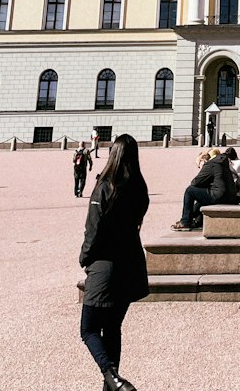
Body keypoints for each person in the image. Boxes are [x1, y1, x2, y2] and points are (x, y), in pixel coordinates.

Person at [79, 133, 149, 391]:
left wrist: (85, 256)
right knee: (113, 329)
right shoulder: (139, 188)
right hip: (131, 264)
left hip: (105, 265)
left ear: (113, 154)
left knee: (88, 330)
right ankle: (111, 387)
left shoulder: (105, 186)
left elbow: (93, 229)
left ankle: (113, 377)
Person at [171, 146, 240, 230]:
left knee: (190, 191)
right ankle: (197, 220)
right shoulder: (222, 163)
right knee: (203, 196)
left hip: (221, 196)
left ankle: (185, 222)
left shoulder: (211, 164)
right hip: (231, 197)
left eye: (199, 166)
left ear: (203, 161)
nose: (200, 168)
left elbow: (195, 182)